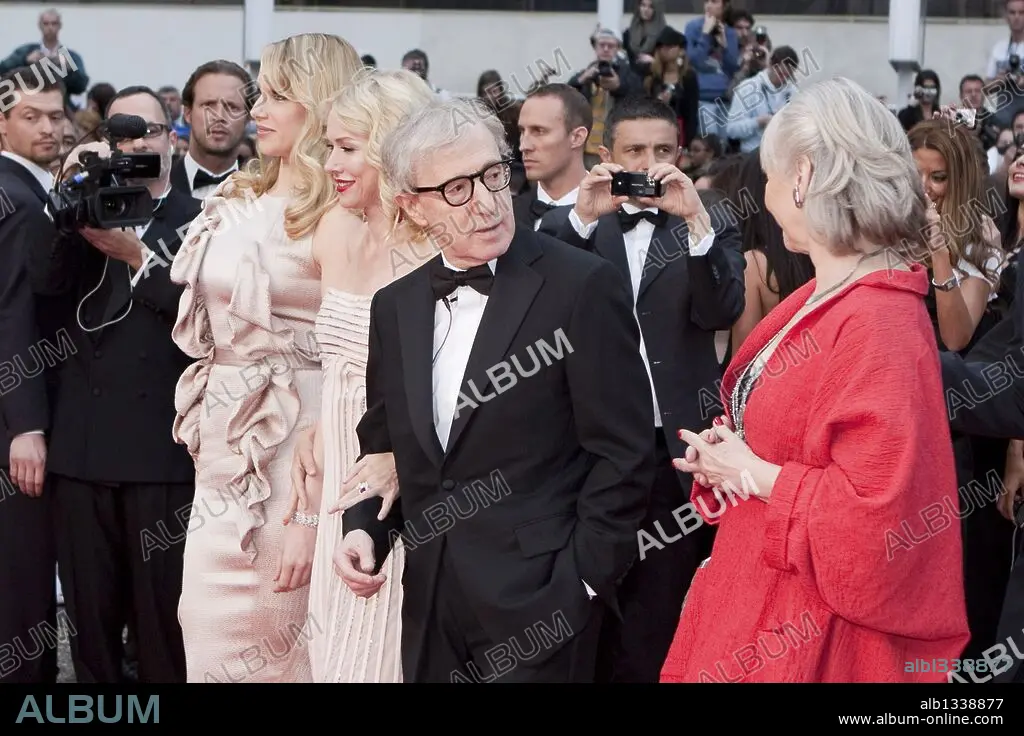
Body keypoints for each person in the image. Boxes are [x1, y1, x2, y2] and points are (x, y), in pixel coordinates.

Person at [334, 97, 657, 683]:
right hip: (432, 604)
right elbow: (383, 442)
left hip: (544, 604)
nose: (485, 203)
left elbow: (624, 453)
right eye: (457, 189)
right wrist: (363, 527)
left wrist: (583, 580)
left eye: (492, 175)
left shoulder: (581, 286)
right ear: (412, 206)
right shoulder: (395, 307)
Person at [662, 77, 970, 683]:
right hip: (760, 600)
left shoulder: (878, 317)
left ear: (802, 177)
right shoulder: (832, 292)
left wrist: (749, 471)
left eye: (770, 177)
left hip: (807, 634)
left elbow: (877, 519)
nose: (765, 195)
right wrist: (731, 457)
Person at [169, 32, 362, 683]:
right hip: (219, 449)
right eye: (262, 92)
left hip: (294, 454)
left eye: (278, 95)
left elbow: (356, 361)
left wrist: (308, 510)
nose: (257, 109)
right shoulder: (235, 196)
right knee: (202, 623)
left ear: (319, 103)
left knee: (275, 639)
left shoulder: (342, 213)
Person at [552, 95, 745, 683]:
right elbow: (540, 303)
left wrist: (696, 225)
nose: (648, 163)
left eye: (662, 150)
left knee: (660, 608)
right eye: (634, 150)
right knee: (585, 601)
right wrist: (582, 220)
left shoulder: (708, 218)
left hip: (676, 450)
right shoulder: (578, 221)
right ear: (605, 155)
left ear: (679, 155)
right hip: (588, 446)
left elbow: (722, 310)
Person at [28, 85, 202, 684]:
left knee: (162, 625)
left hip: (163, 455)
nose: (136, 145)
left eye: (148, 131)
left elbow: (203, 317)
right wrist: (66, 195)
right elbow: (43, 284)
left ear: (172, 140)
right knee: (90, 624)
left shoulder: (200, 219)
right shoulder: (84, 208)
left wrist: (137, 256)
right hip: (83, 453)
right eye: (121, 134)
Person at [286, 68, 436, 683]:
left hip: (407, 477)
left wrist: (400, 458)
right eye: (330, 146)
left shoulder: (437, 248)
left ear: (391, 148)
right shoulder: (332, 229)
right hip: (338, 472)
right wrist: (317, 427)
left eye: (348, 148)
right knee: (333, 651)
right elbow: (339, 365)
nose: (330, 164)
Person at [0, 65, 63, 684]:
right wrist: (26, 425)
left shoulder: (26, 189)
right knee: (21, 575)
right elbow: (12, 312)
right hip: (18, 420)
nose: (48, 127)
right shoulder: (17, 199)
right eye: (30, 116)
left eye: (55, 115)